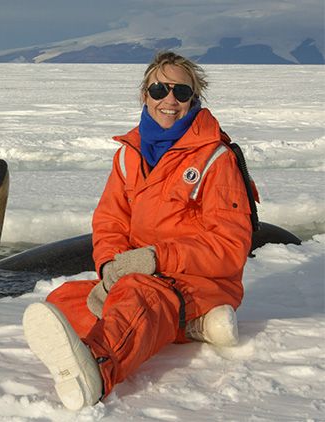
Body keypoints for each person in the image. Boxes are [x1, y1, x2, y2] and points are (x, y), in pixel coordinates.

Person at [23, 51, 254, 411]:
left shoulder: (215, 159)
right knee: (64, 300)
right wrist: (111, 267)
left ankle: (96, 370)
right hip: (141, 276)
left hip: (199, 280)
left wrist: (155, 258)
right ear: (144, 95)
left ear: (195, 98)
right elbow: (110, 221)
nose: (170, 100)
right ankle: (191, 327)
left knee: (137, 297)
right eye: (159, 89)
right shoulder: (129, 156)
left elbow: (230, 245)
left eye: (181, 91)